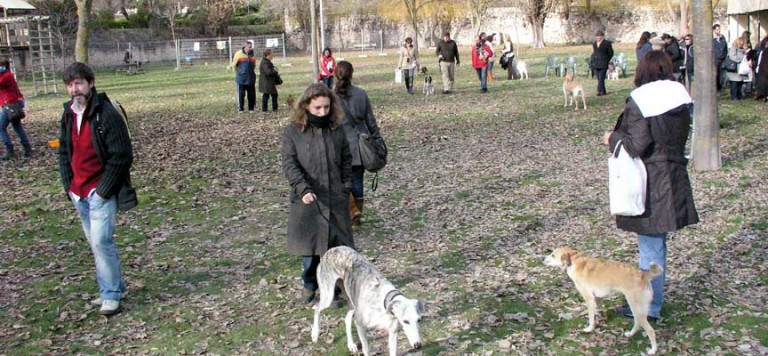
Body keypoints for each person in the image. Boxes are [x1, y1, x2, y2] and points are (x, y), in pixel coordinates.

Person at [603, 50, 699, 322]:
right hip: (673, 175)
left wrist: (612, 138)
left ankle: (648, 306)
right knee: (657, 245)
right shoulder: (681, 98)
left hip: (650, 180)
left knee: (651, 247)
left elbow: (636, 145)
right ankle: (650, 301)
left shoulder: (641, 100)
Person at [58, 62, 133, 316]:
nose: (74, 89)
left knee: (101, 242)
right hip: (78, 192)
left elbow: (122, 155)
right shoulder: (68, 114)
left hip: (99, 191)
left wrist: (103, 190)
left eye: (79, 83)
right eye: (70, 85)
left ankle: (109, 295)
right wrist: (68, 186)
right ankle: (116, 287)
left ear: (91, 83)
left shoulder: (106, 114)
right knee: (97, 244)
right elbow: (64, 152)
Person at [281, 83, 353, 303]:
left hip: (335, 197)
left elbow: (346, 158)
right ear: (306, 106)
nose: (322, 112)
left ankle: (336, 289)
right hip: (308, 200)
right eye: (317, 108)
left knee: (336, 249)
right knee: (311, 250)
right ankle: (309, 285)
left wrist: (346, 185)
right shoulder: (293, 131)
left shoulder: (336, 128)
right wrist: (302, 188)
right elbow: (290, 164)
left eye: (326, 107)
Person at [334, 61, 380, 226]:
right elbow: (370, 121)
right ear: (352, 74)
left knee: (339, 179)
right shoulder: (361, 94)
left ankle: (352, 209)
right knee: (356, 178)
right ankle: (356, 211)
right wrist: (376, 139)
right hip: (359, 144)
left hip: (337, 144)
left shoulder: (330, 97)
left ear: (335, 74)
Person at [0, 58, 31, 160]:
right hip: (11, 104)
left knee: (1, 127)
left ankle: (9, 149)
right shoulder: (6, 75)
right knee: (17, 126)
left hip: (10, 105)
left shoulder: (6, 76)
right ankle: (27, 148)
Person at [232, 40, 256, 113]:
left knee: (251, 94)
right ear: (245, 46)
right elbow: (234, 65)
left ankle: (251, 108)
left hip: (251, 77)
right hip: (241, 77)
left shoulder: (253, 55)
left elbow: (254, 65)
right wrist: (239, 73)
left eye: (251, 47)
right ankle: (241, 108)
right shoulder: (238, 54)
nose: (250, 48)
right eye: (249, 47)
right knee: (241, 94)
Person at [591, 29, 614, 96]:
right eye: (596, 36)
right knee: (599, 78)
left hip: (603, 63)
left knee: (601, 78)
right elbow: (595, 52)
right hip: (596, 63)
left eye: (599, 36)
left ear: (602, 36)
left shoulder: (607, 43)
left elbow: (611, 53)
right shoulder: (594, 44)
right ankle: (603, 91)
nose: (597, 38)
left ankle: (599, 91)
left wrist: (606, 59)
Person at [713, 24, 728, 92]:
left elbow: (725, 48)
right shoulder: (712, 39)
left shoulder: (722, 37)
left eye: (719, 29)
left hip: (723, 58)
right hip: (715, 59)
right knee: (716, 74)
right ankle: (717, 87)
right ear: (714, 30)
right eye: (717, 29)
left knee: (722, 74)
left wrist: (725, 54)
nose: (719, 30)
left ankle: (721, 87)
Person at [756, 35, 768, 102]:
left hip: (763, 69)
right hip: (764, 69)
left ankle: (764, 96)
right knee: (764, 83)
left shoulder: (764, 51)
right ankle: (764, 96)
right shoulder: (765, 51)